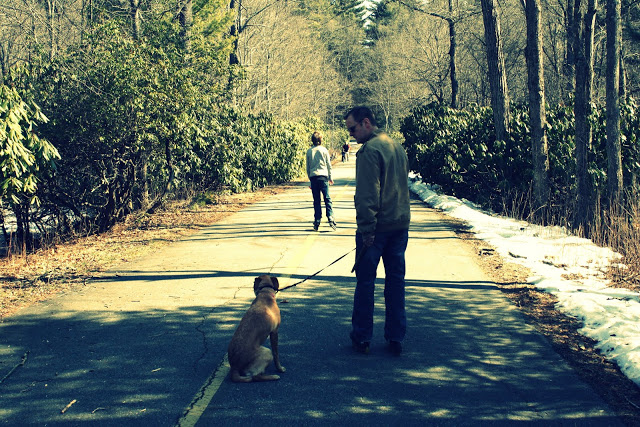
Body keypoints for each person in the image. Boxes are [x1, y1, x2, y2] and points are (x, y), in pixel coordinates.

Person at [345, 106, 411, 356]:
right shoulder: (395, 146)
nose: (351, 134)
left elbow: (366, 195)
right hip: (400, 225)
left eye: (353, 128)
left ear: (366, 123)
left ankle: (362, 337)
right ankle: (396, 337)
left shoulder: (369, 151)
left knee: (365, 282)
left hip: (377, 229)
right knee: (395, 282)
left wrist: (366, 230)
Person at [306, 131, 336, 231]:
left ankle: (317, 219)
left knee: (317, 201)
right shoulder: (324, 150)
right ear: (320, 140)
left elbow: (308, 167)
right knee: (327, 198)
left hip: (314, 177)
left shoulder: (309, 151)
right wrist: (330, 177)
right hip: (323, 177)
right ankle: (330, 217)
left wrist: (310, 179)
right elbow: (328, 165)